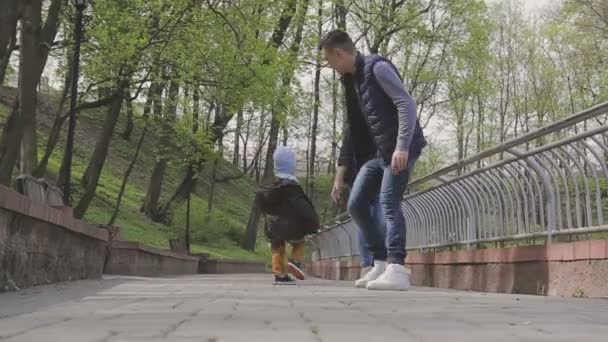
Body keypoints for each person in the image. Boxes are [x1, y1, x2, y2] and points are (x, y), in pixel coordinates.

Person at [322, 30, 426, 291]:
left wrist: (402, 146)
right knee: (356, 204)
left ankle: (397, 268)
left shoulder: (377, 68)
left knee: (388, 202)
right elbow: (351, 130)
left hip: (401, 148)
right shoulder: (353, 82)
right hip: (378, 154)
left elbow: (406, 103)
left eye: (329, 60)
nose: (330, 67)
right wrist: (339, 174)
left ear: (339, 53)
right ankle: (380, 262)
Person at [255, 146, 320, 285]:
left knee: (277, 249)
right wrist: (313, 223)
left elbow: (263, 206)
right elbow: (302, 206)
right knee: (299, 242)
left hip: (273, 226)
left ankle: (279, 275)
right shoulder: (292, 186)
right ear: (292, 165)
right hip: (292, 226)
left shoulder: (270, 187)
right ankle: (295, 262)